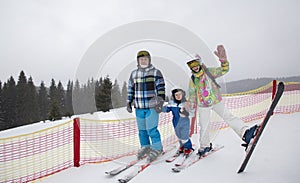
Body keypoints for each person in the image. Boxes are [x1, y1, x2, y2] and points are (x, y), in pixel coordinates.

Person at [186, 45, 258, 157]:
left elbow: (224, 70)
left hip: (216, 101)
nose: (194, 67)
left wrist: (223, 61)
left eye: (195, 64)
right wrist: (190, 105)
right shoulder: (193, 79)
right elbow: (191, 94)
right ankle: (205, 146)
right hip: (203, 105)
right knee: (204, 125)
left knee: (229, 116)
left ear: (200, 63)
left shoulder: (209, 72)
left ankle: (246, 133)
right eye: (191, 65)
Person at [126, 50, 166, 162]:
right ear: (138, 61)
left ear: (149, 60)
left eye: (145, 59)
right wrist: (129, 101)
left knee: (151, 129)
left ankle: (157, 148)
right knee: (142, 130)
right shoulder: (134, 74)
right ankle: (146, 146)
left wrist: (160, 101)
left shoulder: (155, 72)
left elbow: (161, 88)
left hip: (151, 107)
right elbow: (130, 89)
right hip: (139, 107)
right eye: (141, 59)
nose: (143, 61)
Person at [162, 88, 194, 157]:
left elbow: (192, 113)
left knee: (184, 136)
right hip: (176, 122)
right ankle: (182, 146)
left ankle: (188, 147)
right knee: (179, 135)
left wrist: (186, 113)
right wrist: (160, 108)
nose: (178, 96)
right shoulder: (172, 103)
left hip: (184, 122)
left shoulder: (186, 104)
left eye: (180, 94)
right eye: (176, 95)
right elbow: (167, 109)